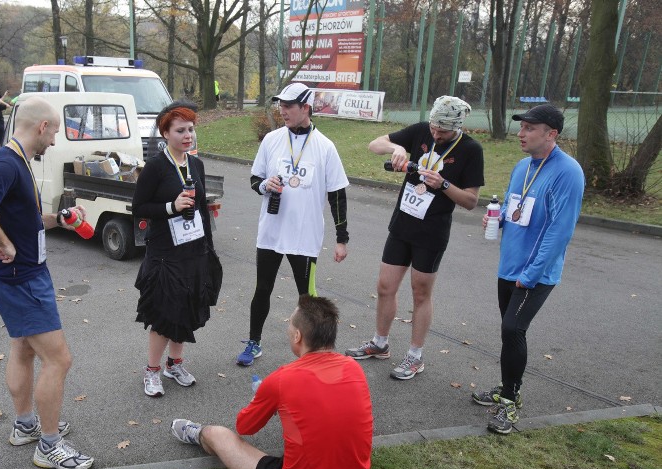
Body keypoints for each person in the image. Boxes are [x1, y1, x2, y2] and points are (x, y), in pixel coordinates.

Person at [0, 96, 94, 469]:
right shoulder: (7, 162)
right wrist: (4, 244)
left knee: (23, 349)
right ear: (42, 127)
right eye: (54, 132)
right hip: (22, 279)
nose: (54, 141)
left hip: (21, 276)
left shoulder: (16, 160)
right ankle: (50, 446)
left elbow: (30, 220)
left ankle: (25, 426)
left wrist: (60, 219)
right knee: (59, 358)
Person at [171, 295, 373, 469]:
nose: (288, 329)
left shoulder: (282, 379)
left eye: (289, 324)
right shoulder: (353, 368)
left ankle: (198, 434)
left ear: (298, 336)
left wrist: (263, 397)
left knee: (217, 434)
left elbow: (244, 426)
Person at [345, 96, 484, 380]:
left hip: (431, 232)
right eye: (434, 128)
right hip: (402, 224)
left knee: (420, 294)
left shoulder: (471, 149)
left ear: (457, 127)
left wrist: (443, 184)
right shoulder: (421, 131)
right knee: (385, 286)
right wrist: (397, 147)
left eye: (442, 131)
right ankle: (380, 343)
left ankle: (414, 356)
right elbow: (375, 144)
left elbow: (470, 201)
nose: (436, 134)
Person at [472, 104, 584, 434]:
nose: (521, 134)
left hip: (535, 272)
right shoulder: (522, 166)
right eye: (521, 128)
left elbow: (561, 230)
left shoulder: (568, 172)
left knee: (513, 329)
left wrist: (531, 274)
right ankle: (506, 386)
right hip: (509, 266)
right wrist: (498, 218)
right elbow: (513, 205)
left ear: (551, 134)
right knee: (509, 330)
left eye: (530, 129)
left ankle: (509, 401)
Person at [236, 82, 350, 367]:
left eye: (288, 106)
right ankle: (254, 342)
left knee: (308, 299)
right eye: (281, 106)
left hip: (305, 236)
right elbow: (254, 179)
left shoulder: (325, 146)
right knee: (262, 289)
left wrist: (341, 238)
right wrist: (264, 184)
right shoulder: (272, 140)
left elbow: (337, 194)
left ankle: (313, 352)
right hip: (272, 233)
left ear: (305, 108)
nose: (282, 111)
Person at [132, 101, 217, 397]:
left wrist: (207, 247)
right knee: (163, 314)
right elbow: (138, 208)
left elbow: (202, 209)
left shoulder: (196, 164)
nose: (188, 135)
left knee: (185, 311)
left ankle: (174, 364)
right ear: (165, 133)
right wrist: (171, 206)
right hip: (164, 254)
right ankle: (152, 371)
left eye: (191, 129)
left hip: (193, 252)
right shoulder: (156, 166)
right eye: (180, 130)